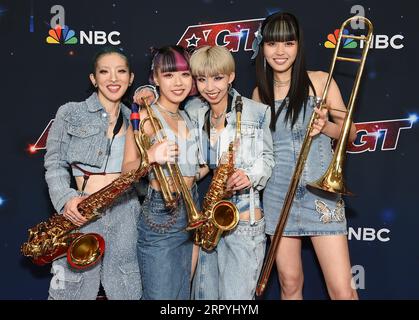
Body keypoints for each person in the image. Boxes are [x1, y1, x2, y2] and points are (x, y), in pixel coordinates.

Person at [45, 46, 168, 300]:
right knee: (72, 289)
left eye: (121, 71)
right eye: (104, 72)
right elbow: (54, 163)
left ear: (131, 78)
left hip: (126, 212)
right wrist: (66, 199)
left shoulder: (138, 119)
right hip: (81, 212)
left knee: (126, 287)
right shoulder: (69, 112)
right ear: (93, 78)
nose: (113, 79)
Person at [251, 11, 358, 300]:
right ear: (263, 48)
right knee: (290, 284)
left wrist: (326, 127)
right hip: (277, 196)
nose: (280, 51)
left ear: (298, 46)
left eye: (288, 43)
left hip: (321, 195)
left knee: (342, 290)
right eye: (273, 44)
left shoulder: (321, 82)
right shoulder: (259, 94)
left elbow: (350, 133)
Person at [186, 45, 274, 299]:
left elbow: (267, 158)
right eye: (201, 79)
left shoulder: (255, 112)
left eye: (217, 78)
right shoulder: (194, 111)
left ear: (231, 76)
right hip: (210, 215)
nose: (209, 87)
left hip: (244, 216)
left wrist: (250, 176)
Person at [122, 45, 204, 300]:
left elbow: (192, 168)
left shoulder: (187, 115)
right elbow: (126, 170)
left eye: (184, 74)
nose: (178, 83)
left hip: (192, 208)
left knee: (181, 296)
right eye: (168, 75)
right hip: (162, 213)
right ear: (155, 78)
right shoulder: (145, 116)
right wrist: (150, 157)